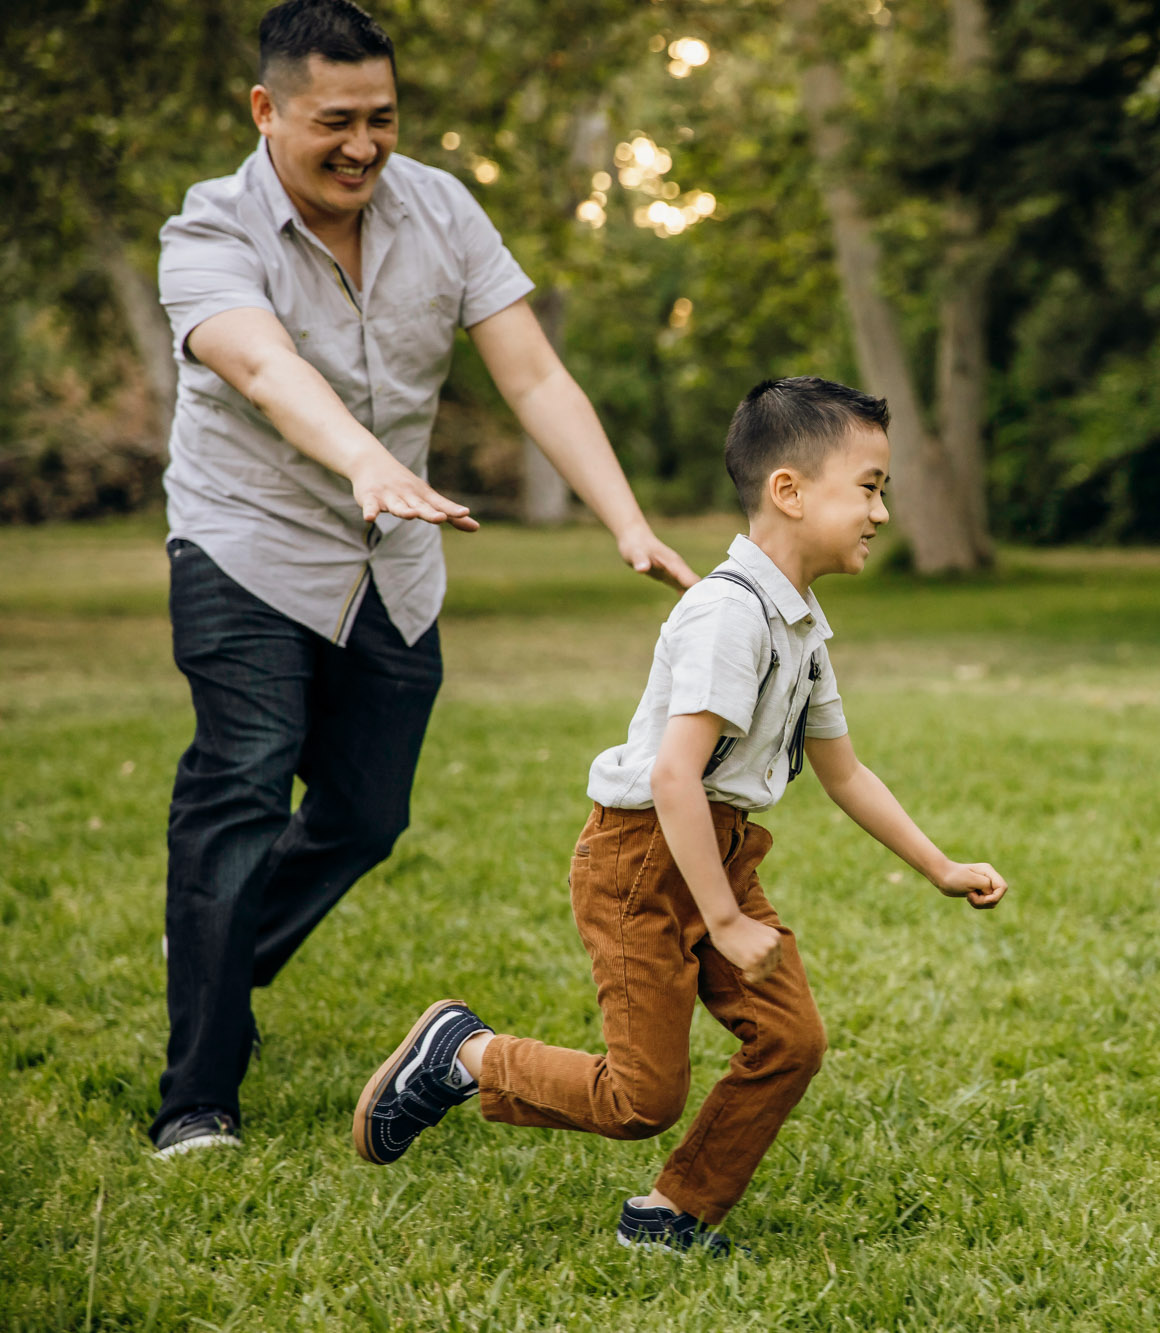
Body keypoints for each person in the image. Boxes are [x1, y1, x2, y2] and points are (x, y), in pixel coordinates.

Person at [150, 0, 697, 1157]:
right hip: (244, 543)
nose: (363, 145)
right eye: (334, 121)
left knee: (366, 813)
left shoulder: (441, 211)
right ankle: (197, 1097)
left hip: (392, 561)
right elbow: (259, 364)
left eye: (382, 119)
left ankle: (213, 951)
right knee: (240, 794)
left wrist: (626, 521)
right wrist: (365, 461)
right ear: (266, 111)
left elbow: (533, 376)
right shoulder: (206, 232)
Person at [351, 377, 1011, 1256]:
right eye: (870, 486)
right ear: (789, 489)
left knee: (790, 1040)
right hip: (641, 865)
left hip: (719, 855)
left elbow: (844, 771)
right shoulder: (726, 613)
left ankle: (673, 1212)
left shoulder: (803, 628)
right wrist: (727, 920)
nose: (881, 512)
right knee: (640, 1099)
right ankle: (461, 1055)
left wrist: (941, 866)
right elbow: (673, 777)